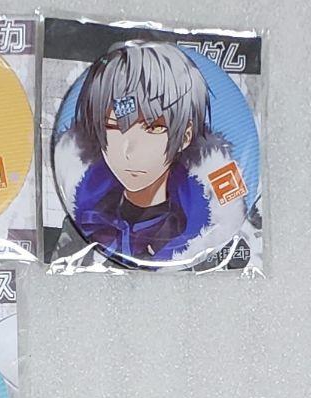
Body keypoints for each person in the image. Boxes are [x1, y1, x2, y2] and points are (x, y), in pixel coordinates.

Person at [53, 40, 246, 265]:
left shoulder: (198, 232)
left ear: (185, 136)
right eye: (114, 127)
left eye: (153, 128)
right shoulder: (85, 218)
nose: (129, 150)